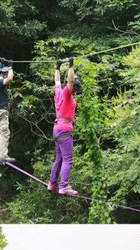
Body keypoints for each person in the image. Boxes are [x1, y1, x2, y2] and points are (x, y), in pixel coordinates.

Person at [47, 57, 80, 196]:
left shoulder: (58, 93)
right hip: (64, 129)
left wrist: (57, 67)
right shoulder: (67, 94)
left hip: (57, 129)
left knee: (59, 158)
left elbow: (56, 81)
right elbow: (70, 81)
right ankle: (64, 186)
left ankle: (52, 183)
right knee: (68, 160)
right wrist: (71, 66)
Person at [0, 60, 15, 163]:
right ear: (5, 75)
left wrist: (0, 66)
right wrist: (10, 67)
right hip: (1, 111)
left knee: (2, 132)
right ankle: (3, 155)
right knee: (5, 133)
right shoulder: (1, 82)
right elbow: (10, 78)